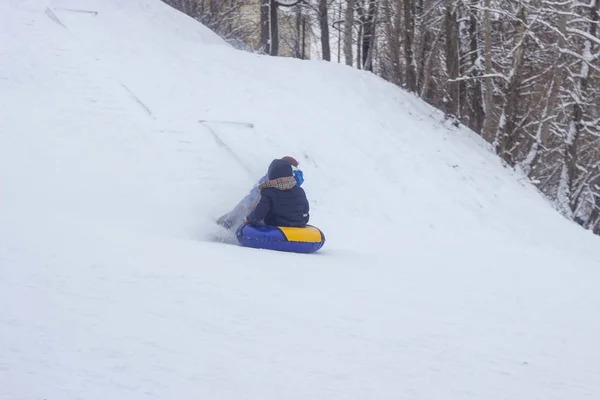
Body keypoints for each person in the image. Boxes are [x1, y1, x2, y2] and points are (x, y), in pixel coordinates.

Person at [216, 156, 305, 229]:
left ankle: (226, 224)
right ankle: (227, 221)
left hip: (269, 212)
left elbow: (257, 197)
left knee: (245, 206)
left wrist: (249, 217)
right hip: (289, 214)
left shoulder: (272, 179)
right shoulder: (295, 183)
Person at [244, 158, 309, 227]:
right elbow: (305, 211)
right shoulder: (300, 191)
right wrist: (302, 221)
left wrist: (248, 219)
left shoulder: (269, 192)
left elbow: (260, 212)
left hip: (276, 226)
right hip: (298, 225)